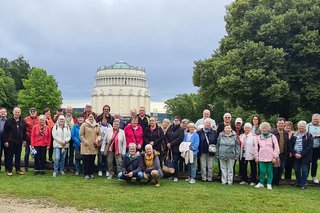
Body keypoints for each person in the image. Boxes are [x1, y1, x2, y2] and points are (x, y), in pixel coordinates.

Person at [254, 122, 280, 190]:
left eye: (266, 128)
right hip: (261, 157)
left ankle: (269, 183)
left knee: (269, 171)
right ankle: (261, 183)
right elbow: (256, 148)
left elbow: (276, 147)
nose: (264, 129)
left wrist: (275, 157)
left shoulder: (272, 136)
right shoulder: (258, 137)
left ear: (268, 129)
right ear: (261, 129)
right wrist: (256, 157)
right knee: (262, 171)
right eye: (263, 128)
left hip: (270, 157)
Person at [289, 121, 313, 189]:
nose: (301, 128)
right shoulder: (294, 135)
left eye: (302, 126)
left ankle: (303, 183)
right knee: (296, 170)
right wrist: (294, 153)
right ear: (298, 127)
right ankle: (298, 182)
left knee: (304, 170)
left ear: (305, 127)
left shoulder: (309, 135)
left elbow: (309, 146)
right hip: (295, 155)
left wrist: (301, 154)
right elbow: (290, 145)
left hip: (305, 156)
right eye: (299, 126)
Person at [3, 107, 26, 176]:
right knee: (10, 156)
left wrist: (24, 140)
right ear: (13, 112)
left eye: (18, 112)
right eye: (16, 112)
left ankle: (18, 169)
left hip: (19, 142)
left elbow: (24, 132)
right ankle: (9, 170)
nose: (17, 113)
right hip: (10, 142)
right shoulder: (8, 121)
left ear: (20, 113)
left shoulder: (22, 121)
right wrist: (6, 141)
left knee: (18, 156)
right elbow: (5, 132)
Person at [271, 117, 290, 186]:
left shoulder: (285, 133)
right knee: (274, 169)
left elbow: (287, 143)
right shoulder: (272, 132)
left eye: (282, 123)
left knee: (281, 169)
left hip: (283, 153)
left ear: (284, 124)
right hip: (275, 154)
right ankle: (273, 182)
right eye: (279, 123)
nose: (281, 125)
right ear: (277, 124)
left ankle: (277, 181)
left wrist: (289, 152)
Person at [165, 116, 184, 182]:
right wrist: (167, 143)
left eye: (177, 120)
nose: (176, 121)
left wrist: (171, 144)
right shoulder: (170, 127)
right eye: (175, 120)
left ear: (179, 122)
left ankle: (176, 176)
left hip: (176, 148)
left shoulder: (181, 129)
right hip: (169, 148)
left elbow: (180, 138)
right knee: (170, 162)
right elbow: (166, 136)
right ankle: (171, 174)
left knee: (175, 162)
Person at [24, 107, 40, 172]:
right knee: (27, 153)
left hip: (37, 139)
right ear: (29, 112)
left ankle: (36, 167)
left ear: (36, 112)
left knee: (36, 153)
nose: (33, 112)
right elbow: (23, 130)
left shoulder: (39, 119)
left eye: (34, 111)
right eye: (31, 111)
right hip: (28, 139)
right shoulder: (26, 119)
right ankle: (26, 166)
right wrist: (24, 140)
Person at [306, 113, 320, 184]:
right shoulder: (308, 125)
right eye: (314, 119)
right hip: (309, 147)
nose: (315, 121)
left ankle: (314, 176)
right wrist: (316, 136)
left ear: (319, 120)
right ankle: (305, 177)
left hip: (317, 147)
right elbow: (306, 135)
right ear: (312, 119)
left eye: (317, 120)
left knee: (315, 162)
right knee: (307, 162)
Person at [65, 106, 77, 172]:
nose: (69, 111)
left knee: (72, 153)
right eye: (68, 110)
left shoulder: (75, 118)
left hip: (72, 137)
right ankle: (65, 166)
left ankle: (71, 166)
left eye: (70, 110)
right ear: (66, 111)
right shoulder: (63, 118)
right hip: (65, 137)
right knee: (65, 152)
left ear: (72, 111)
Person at [0, 107, 8, 172]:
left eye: (4, 112)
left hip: (7, 140)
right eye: (1, 112)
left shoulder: (9, 121)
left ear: (6, 113)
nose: (2, 113)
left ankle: (7, 168)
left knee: (7, 154)